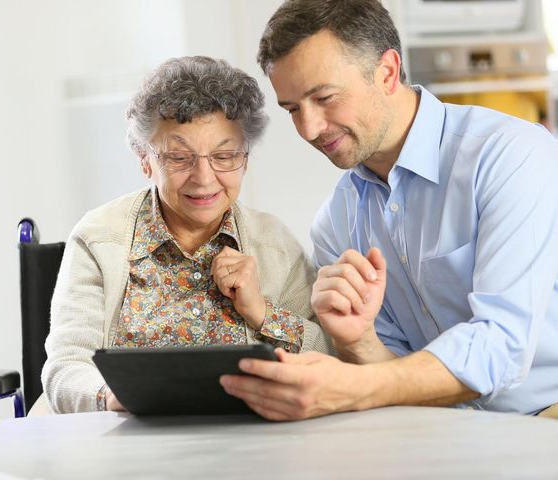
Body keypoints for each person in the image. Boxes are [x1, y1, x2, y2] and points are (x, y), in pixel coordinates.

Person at [220, 0, 558, 420]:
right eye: (293, 109)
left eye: (323, 97)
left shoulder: (509, 157)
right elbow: (398, 374)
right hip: (444, 430)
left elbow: (503, 345)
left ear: (387, 72)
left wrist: (349, 386)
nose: (309, 129)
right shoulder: (335, 222)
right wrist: (360, 342)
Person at [41, 56, 333, 413]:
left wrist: (261, 313)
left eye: (224, 155)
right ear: (144, 159)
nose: (205, 178)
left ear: (246, 158)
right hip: (129, 447)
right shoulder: (99, 237)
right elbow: (66, 367)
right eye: (179, 158)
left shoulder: (273, 243)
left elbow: (328, 356)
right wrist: (115, 397)